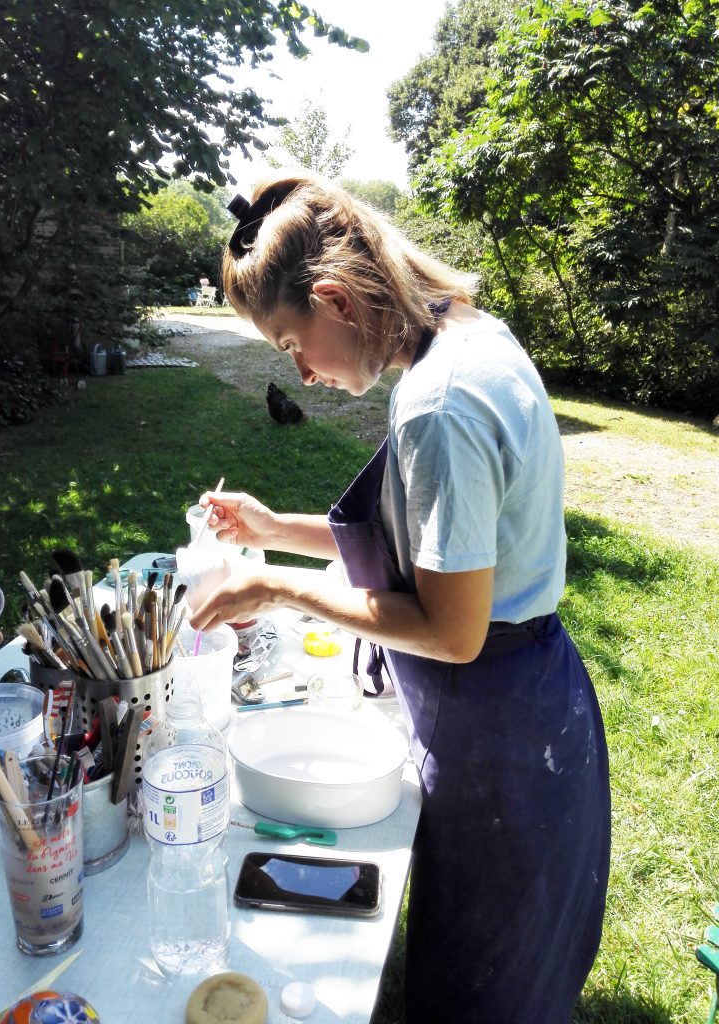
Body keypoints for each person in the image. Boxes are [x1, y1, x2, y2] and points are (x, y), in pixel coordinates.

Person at [190, 174, 611, 1023]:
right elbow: (431, 544)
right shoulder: (468, 336)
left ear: (334, 298)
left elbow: (451, 630)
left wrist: (277, 586)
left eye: (289, 344)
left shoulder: (437, 404)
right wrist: (279, 528)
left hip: (499, 724)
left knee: (484, 990)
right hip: (528, 697)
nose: (301, 374)